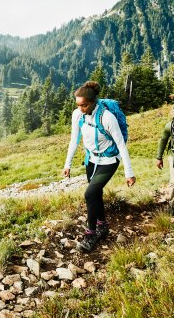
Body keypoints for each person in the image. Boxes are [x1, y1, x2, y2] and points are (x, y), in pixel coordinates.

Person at [63, 81, 136, 253]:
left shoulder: (107, 117)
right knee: (96, 194)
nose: (81, 108)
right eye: (78, 105)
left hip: (109, 161)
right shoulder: (77, 115)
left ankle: (91, 234)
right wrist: (68, 164)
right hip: (91, 160)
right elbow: (74, 140)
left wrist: (129, 172)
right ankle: (102, 225)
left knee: (89, 194)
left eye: (84, 105)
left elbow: (121, 144)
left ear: (93, 101)